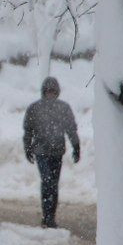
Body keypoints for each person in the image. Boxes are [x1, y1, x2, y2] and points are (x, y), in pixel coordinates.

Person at [23, 76, 80, 228]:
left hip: (57, 152)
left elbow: (71, 129)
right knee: (47, 181)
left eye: (53, 92)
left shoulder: (63, 108)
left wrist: (76, 146)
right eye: (48, 91)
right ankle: (46, 216)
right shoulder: (34, 108)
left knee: (53, 184)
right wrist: (27, 147)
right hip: (41, 151)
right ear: (43, 92)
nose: (50, 94)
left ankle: (50, 216)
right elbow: (28, 130)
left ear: (57, 92)